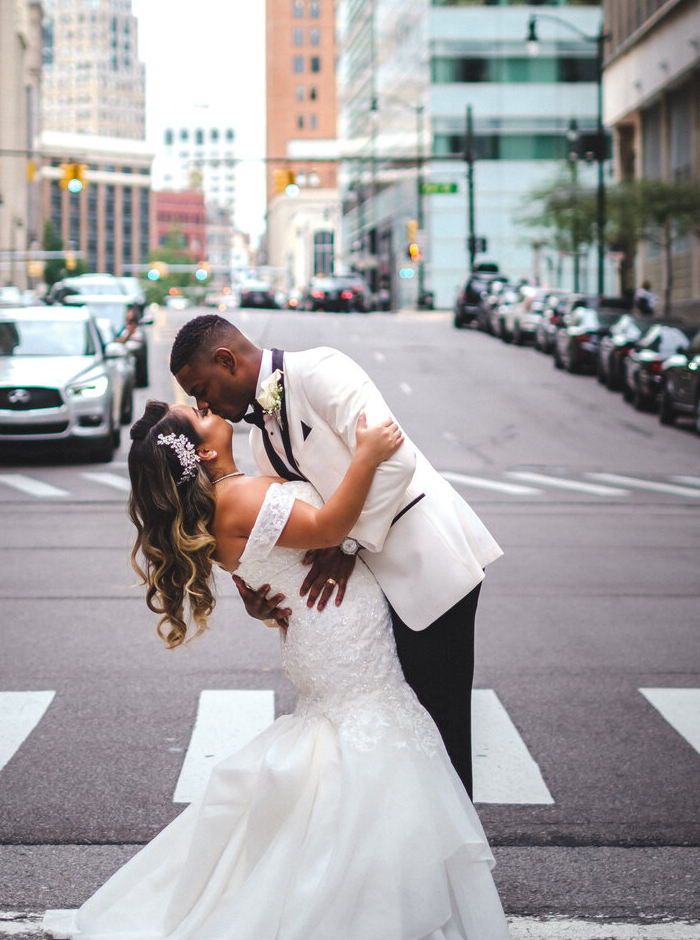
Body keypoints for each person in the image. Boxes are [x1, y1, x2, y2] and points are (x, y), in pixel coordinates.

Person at [44, 398, 522, 940]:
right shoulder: (239, 496)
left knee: (347, 754)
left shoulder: (222, 503)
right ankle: (363, 917)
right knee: (369, 743)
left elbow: (253, 572)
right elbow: (325, 530)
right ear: (206, 450)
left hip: (317, 634)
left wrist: (257, 591)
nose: (206, 406)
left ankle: (360, 907)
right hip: (338, 631)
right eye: (200, 413)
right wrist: (370, 455)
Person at [167, 314, 502, 795]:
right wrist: (260, 592)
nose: (203, 404)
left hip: (426, 567)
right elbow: (292, 526)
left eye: (201, 388)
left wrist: (346, 542)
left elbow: (395, 460)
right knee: (402, 741)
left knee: (441, 728)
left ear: (226, 360)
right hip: (365, 612)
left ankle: (456, 864)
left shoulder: (321, 370)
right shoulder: (260, 440)